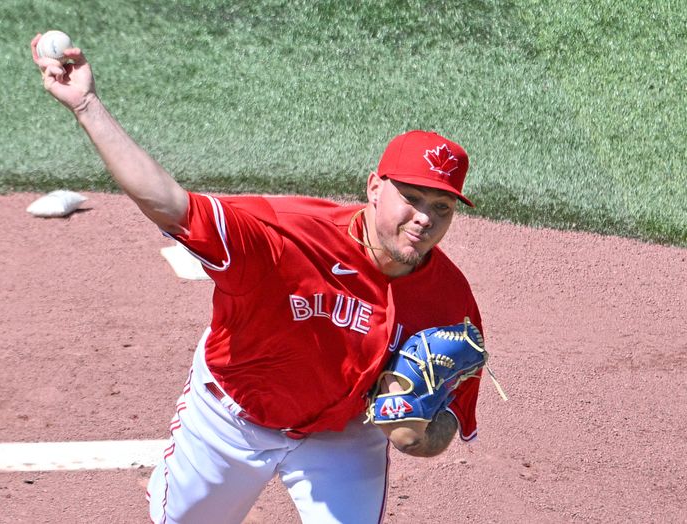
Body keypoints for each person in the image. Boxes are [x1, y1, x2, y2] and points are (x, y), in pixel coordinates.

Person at [31, 34, 486, 524]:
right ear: (375, 187)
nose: (424, 217)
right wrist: (87, 104)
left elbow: (445, 427)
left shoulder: (450, 303)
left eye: (440, 207)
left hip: (341, 434)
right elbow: (168, 203)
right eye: (412, 198)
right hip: (232, 416)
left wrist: (418, 428)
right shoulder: (286, 236)